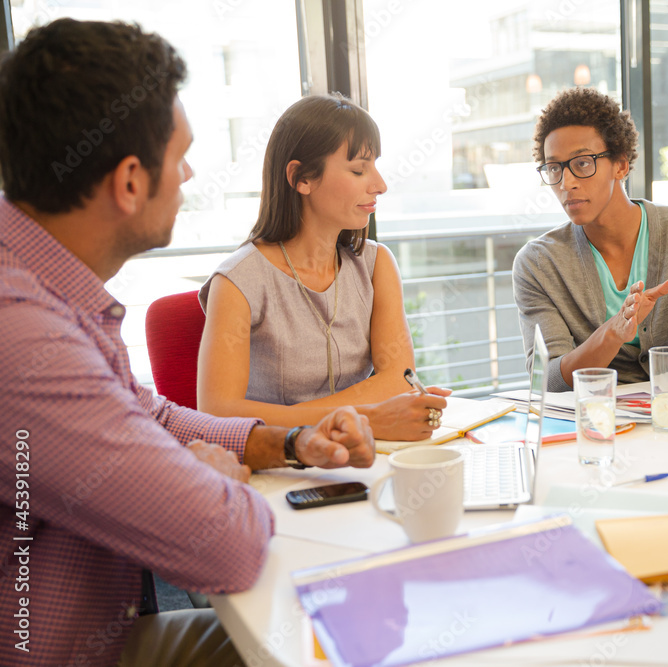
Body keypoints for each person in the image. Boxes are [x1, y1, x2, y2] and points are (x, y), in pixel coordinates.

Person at [0, 19, 374, 667]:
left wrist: (288, 443)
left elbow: (153, 415)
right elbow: (223, 546)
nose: (189, 173)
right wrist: (213, 479)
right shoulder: (19, 329)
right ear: (129, 182)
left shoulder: (47, 286)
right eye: (180, 157)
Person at [198, 94, 448, 441]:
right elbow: (218, 413)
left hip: (362, 455)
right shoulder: (238, 282)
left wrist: (291, 417)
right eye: (359, 169)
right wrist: (369, 417)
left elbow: (398, 379)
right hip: (279, 465)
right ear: (301, 178)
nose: (380, 184)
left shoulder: (376, 265)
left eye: (375, 166)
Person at [513, 87, 668, 391]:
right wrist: (613, 333)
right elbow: (548, 381)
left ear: (621, 164)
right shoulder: (538, 264)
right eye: (554, 167)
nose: (566, 182)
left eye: (582, 163)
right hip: (600, 423)